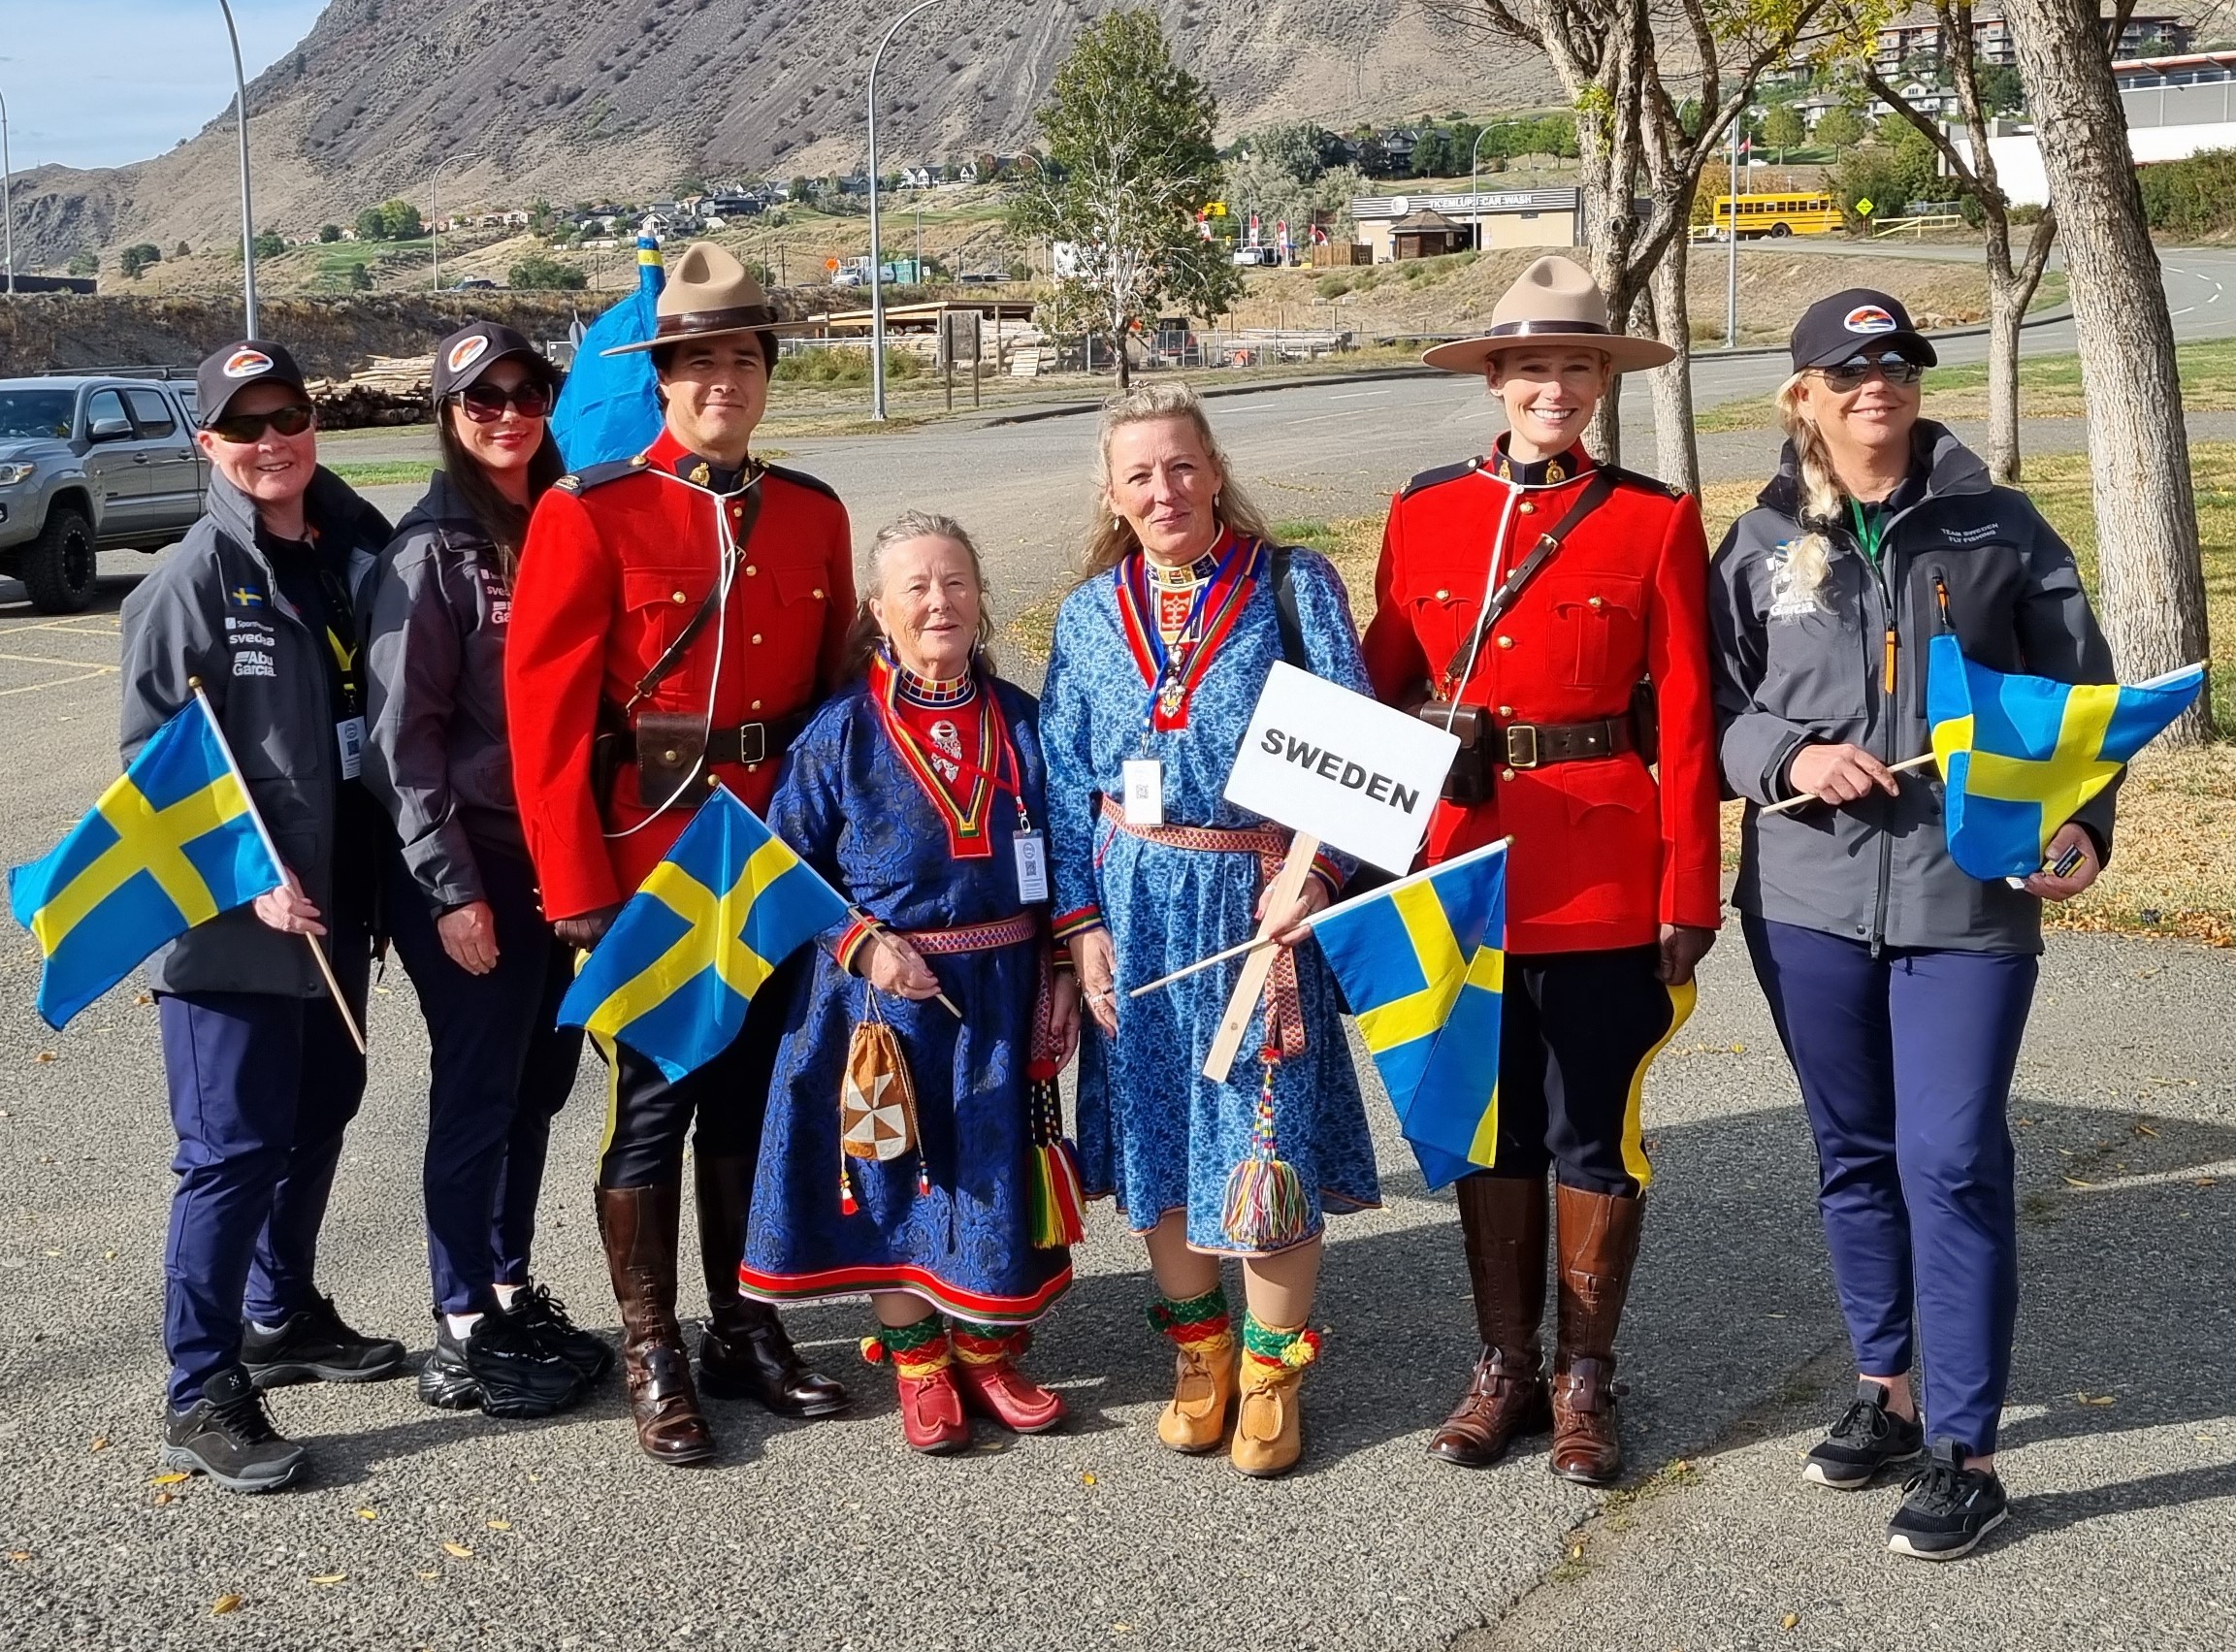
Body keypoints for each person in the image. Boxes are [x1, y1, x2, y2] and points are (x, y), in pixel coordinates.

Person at [1708, 289, 2117, 1561]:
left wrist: (2083, 820)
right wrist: (1787, 755)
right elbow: (1716, 701)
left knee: (1947, 1154)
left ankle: (1966, 1446)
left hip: (1964, 889)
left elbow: (2079, 693)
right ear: (1804, 393)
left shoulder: (2001, 528)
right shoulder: (1761, 537)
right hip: (1808, 894)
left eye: (1894, 362)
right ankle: (1886, 1391)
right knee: (1853, 1148)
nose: (1873, 382)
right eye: (1845, 366)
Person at [1361, 255, 1722, 1486]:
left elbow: (1685, 720)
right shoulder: (1421, 513)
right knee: (1488, 1116)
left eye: (1576, 366)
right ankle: (1503, 1364)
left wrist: (1688, 892)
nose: (1552, 387)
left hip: (1606, 864)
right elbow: (1381, 685)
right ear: (1495, 382)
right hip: (1464, 864)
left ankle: (1585, 1377)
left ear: (1602, 381)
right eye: (1530, 367)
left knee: (1594, 1126)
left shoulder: (1652, 518)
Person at [505, 243, 857, 1465]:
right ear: (661, 378)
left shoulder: (812, 514)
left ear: (767, 373)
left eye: (742, 359)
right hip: (648, 859)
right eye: (698, 361)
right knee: (655, 1110)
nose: (722, 381)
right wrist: (578, 895)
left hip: (765, 862)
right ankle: (653, 1343)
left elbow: (831, 706)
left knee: (755, 1107)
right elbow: (544, 723)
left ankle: (743, 1324)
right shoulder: (589, 510)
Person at [1042, 381, 1378, 1480]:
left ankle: (1276, 1375)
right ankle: (1202, 1353)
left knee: (1260, 1141)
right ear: (1112, 491)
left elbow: (1360, 757)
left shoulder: (1291, 586)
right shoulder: (1090, 612)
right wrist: (1080, 924)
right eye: (1139, 472)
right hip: (1133, 908)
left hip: (1258, 904)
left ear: (1215, 470)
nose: (1163, 488)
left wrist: (1314, 874)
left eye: (1180, 465)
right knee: (1156, 1133)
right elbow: (1060, 778)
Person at [121, 340, 405, 1493]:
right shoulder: (188, 580)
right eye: (243, 427)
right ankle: (201, 1384)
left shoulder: (353, 552)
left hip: (338, 908)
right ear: (208, 446)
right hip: (234, 925)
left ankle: (280, 1311)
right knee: (230, 1151)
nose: (270, 440)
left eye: (286, 414)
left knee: (322, 1108)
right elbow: (150, 763)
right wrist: (245, 874)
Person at [741, 511, 1082, 1455]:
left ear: (981, 597)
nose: (939, 601)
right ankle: (918, 1359)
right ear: (877, 611)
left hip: (1005, 990)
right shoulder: (839, 732)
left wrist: (1057, 969)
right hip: (885, 1000)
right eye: (917, 588)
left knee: (989, 1169)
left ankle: (986, 1347)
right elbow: (780, 871)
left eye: (956, 582)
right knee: (898, 1171)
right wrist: (862, 945)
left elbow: (1060, 858)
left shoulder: (1022, 722)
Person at [363, 321, 608, 1422]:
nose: (508, 413)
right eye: (481, 399)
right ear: (450, 416)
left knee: (537, 1087)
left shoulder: (567, 522)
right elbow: (400, 742)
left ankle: (507, 1282)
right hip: (477, 861)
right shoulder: (431, 552)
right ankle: (461, 1311)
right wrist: (450, 889)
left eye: (526, 390)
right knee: (474, 1092)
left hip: (566, 863)